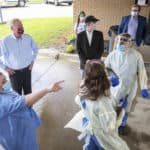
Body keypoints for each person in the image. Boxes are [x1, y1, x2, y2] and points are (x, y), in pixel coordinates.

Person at [65, 60, 129, 150]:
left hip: (88, 128)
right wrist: (121, 111)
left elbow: (78, 100)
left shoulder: (84, 88)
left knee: (89, 147)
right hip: (101, 136)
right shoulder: (102, 102)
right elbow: (110, 127)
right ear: (103, 77)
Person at [0, 71, 64, 150]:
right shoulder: (3, 103)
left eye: (5, 79)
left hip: (22, 131)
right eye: (3, 82)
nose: (7, 82)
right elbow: (25, 101)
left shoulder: (4, 92)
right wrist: (47, 89)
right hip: (20, 141)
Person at [105, 33, 149, 135]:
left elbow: (142, 71)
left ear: (130, 43)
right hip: (115, 87)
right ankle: (111, 123)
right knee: (112, 105)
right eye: (120, 41)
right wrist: (112, 76)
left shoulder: (136, 55)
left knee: (126, 107)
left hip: (129, 87)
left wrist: (144, 87)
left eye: (124, 41)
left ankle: (122, 124)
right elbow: (106, 67)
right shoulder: (113, 54)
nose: (121, 43)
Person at [0, 18, 38, 95]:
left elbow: (35, 49)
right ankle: (19, 107)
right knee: (17, 95)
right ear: (12, 28)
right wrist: (5, 68)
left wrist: (32, 61)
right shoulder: (5, 41)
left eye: (22, 26)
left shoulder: (28, 37)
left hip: (27, 70)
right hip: (14, 73)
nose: (21, 28)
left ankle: (29, 107)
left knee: (28, 93)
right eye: (18, 26)